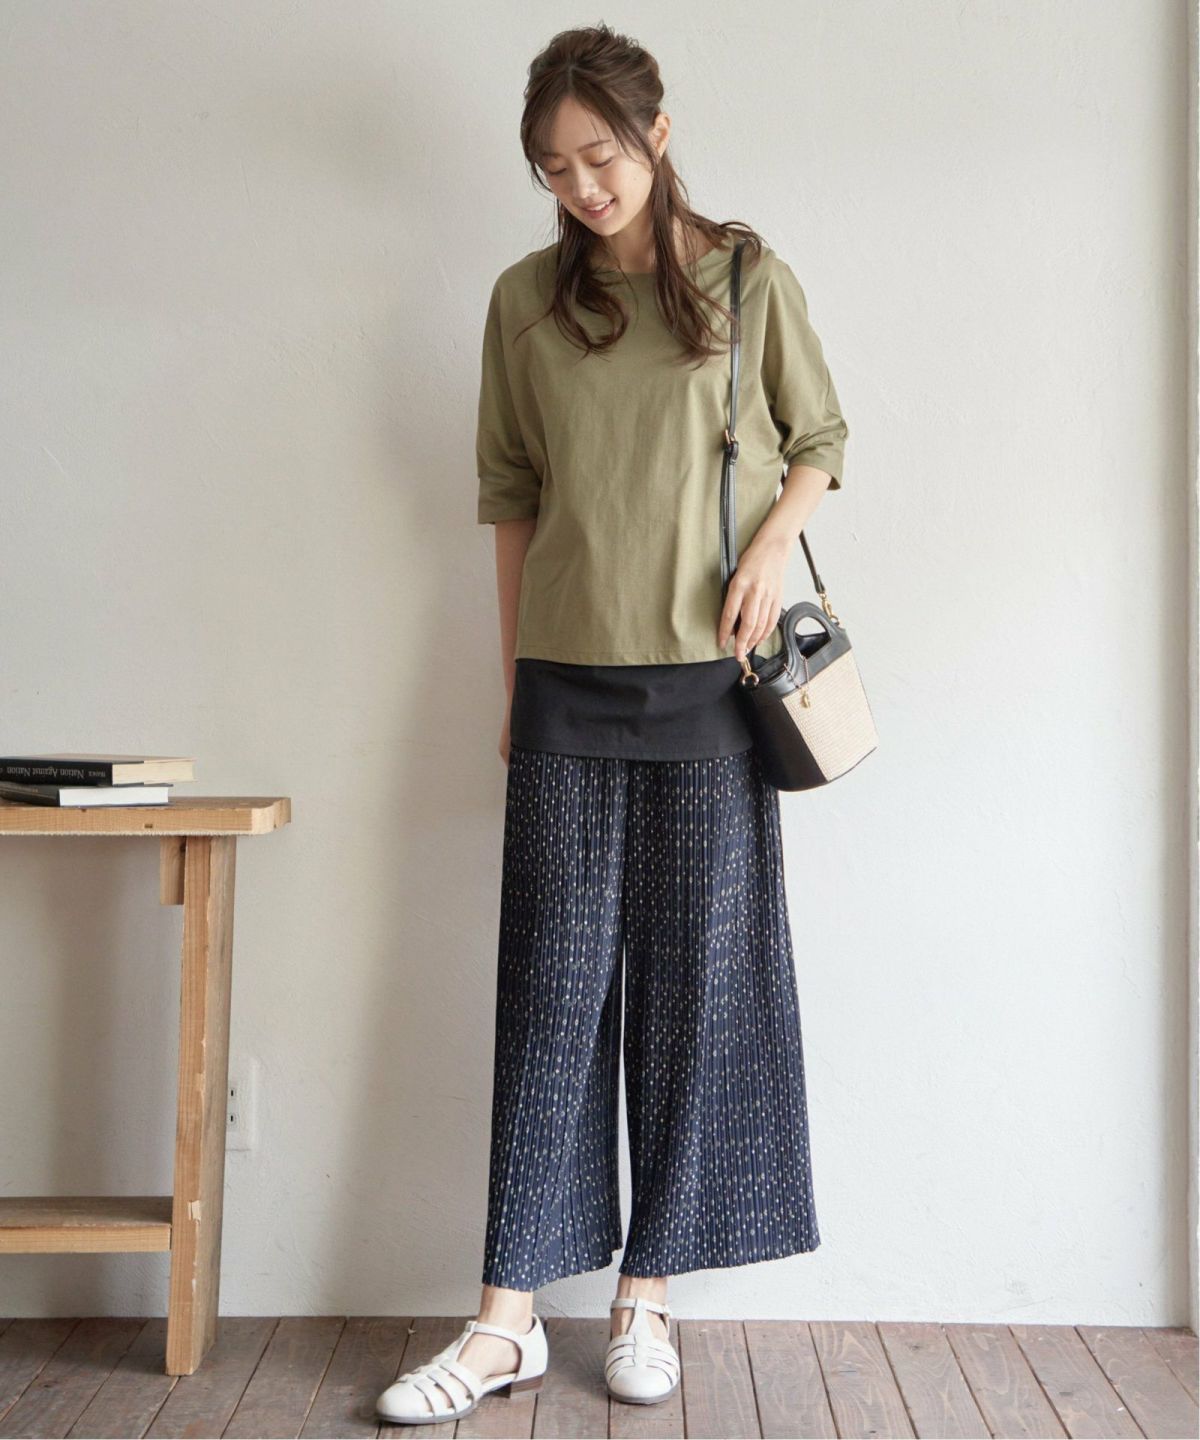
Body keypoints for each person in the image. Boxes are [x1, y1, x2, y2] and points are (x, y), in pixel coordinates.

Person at [377, 21, 848, 1426]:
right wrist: (513, 682)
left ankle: (647, 1299)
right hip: (569, 688)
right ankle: (506, 1322)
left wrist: (772, 544)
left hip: (712, 684)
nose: (583, 186)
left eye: (601, 155)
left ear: (656, 131)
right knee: (551, 1000)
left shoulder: (746, 279)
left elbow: (821, 442)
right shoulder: (524, 301)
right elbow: (509, 498)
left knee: (694, 1000)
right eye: (554, 167)